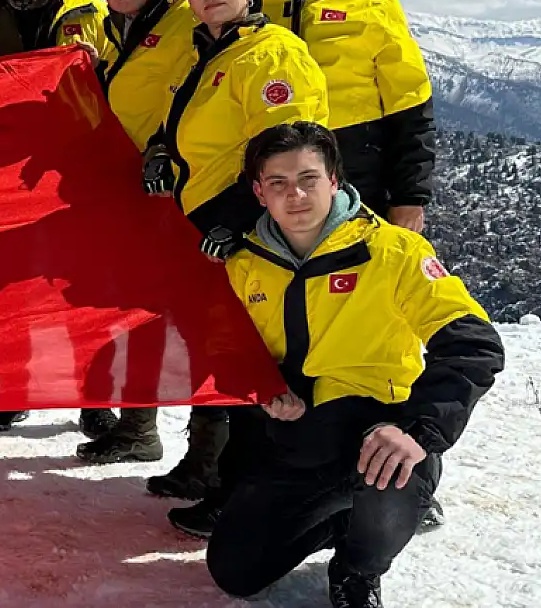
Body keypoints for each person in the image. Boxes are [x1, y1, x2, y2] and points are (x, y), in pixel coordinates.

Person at [206, 122, 503, 608]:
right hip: (303, 441)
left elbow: (474, 345)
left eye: (309, 179)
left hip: (385, 426)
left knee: (388, 479)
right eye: (278, 183)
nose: (295, 195)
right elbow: (230, 352)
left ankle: (359, 566)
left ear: (335, 181)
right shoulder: (245, 267)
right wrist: (264, 388)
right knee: (235, 572)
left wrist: (418, 430)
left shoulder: (394, 252)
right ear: (259, 192)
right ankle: (351, 518)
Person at [142, 0, 330, 512]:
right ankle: (208, 469)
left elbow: (289, 152)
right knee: (221, 350)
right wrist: (157, 151)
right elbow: (186, 126)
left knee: (253, 357)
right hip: (210, 225)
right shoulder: (210, 52)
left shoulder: (272, 54)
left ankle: (238, 489)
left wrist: (237, 217)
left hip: (257, 231)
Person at [0, 0, 106, 434]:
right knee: (10, 286)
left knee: (81, 284)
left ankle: (95, 396)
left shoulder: (90, 11)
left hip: (75, 169)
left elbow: (112, 82)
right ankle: (12, 387)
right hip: (9, 172)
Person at [73, 0, 197, 468]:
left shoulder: (191, 17)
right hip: (134, 194)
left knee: (200, 319)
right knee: (140, 312)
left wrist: (168, 147)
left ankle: (212, 460)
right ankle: (138, 427)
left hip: (188, 189)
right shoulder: (115, 28)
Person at [257, 0, 435, 233]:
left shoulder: (372, 3)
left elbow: (411, 107)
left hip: (359, 174)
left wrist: (410, 196)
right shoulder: (247, 2)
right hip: (274, 179)